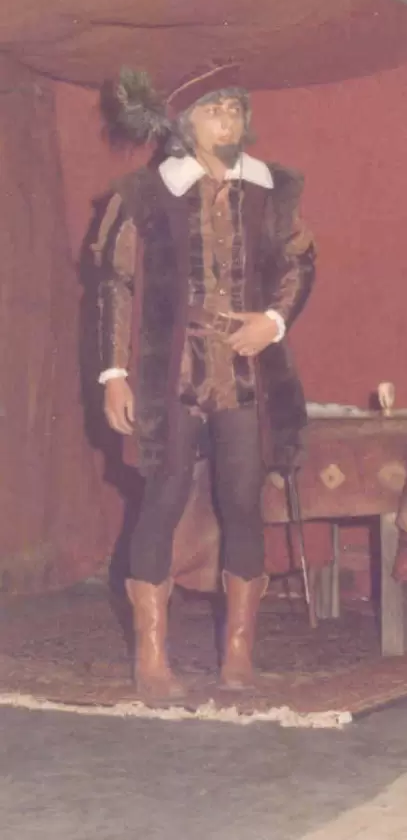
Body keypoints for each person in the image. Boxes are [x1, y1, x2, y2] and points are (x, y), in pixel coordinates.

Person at [92, 62, 316, 703]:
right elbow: (116, 283)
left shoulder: (271, 192)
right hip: (170, 371)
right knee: (161, 500)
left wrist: (272, 322)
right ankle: (152, 657)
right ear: (185, 125)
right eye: (214, 111)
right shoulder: (145, 194)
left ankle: (238, 654)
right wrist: (114, 375)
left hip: (245, 372)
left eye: (235, 110)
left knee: (243, 502)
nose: (228, 121)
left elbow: (300, 261)